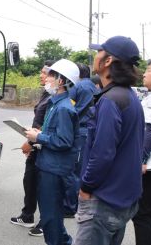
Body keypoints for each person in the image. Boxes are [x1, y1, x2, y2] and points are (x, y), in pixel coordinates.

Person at [74, 36, 144, 245]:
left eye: (99, 52)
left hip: (103, 201)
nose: (95, 56)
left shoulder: (111, 101)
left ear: (107, 61)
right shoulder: (130, 97)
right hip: (123, 198)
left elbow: (102, 154)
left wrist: (85, 187)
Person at [25, 59, 80, 245]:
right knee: (52, 216)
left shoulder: (64, 108)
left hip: (54, 170)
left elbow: (64, 141)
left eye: (50, 75)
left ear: (61, 81)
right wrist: (39, 134)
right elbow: (55, 135)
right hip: (49, 166)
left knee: (50, 218)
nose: (46, 78)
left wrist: (38, 138)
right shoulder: (55, 103)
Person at [10, 60, 54, 237]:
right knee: (29, 181)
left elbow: (49, 124)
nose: (41, 75)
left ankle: (46, 223)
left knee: (44, 186)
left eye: (45, 73)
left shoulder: (56, 99)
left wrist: (30, 142)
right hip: (36, 141)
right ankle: (27, 215)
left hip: (43, 144)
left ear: (56, 77)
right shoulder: (46, 93)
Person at [63, 63, 99, 217]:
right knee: (82, 168)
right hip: (89, 131)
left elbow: (70, 110)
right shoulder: (93, 86)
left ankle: (70, 207)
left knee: (74, 171)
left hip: (79, 131)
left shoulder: (77, 87)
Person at [132, 58, 151, 245]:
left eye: (148, 70)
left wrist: (141, 159)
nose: (144, 74)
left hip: (150, 166)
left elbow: (150, 131)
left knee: (141, 214)